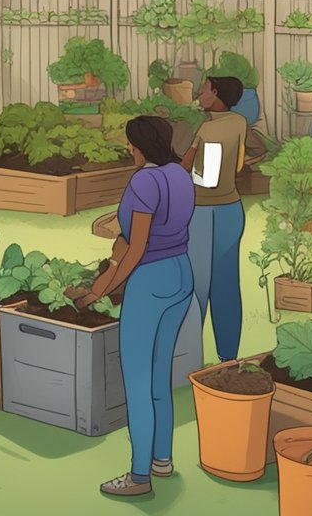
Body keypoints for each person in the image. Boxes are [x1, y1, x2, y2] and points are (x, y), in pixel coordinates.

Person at [75, 115, 195, 497]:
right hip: (182, 273)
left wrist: (100, 290)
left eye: (131, 143)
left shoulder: (145, 180)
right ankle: (163, 458)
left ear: (142, 145)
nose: (129, 149)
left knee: (139, 381)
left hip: (151, 279)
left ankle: (139, 476)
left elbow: (137, 246)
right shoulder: (179, 174)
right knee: (161, 375)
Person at [182, 75, 249, 362]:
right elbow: (238, 165)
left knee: (196, 288)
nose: (199, 92)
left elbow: (205, 179)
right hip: (231, 209)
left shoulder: (210, 130)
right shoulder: (238, 123)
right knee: (226, 287)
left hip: (203, 213)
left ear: (216, 94)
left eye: (205, 89)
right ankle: (228, 358)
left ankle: (189, 358)